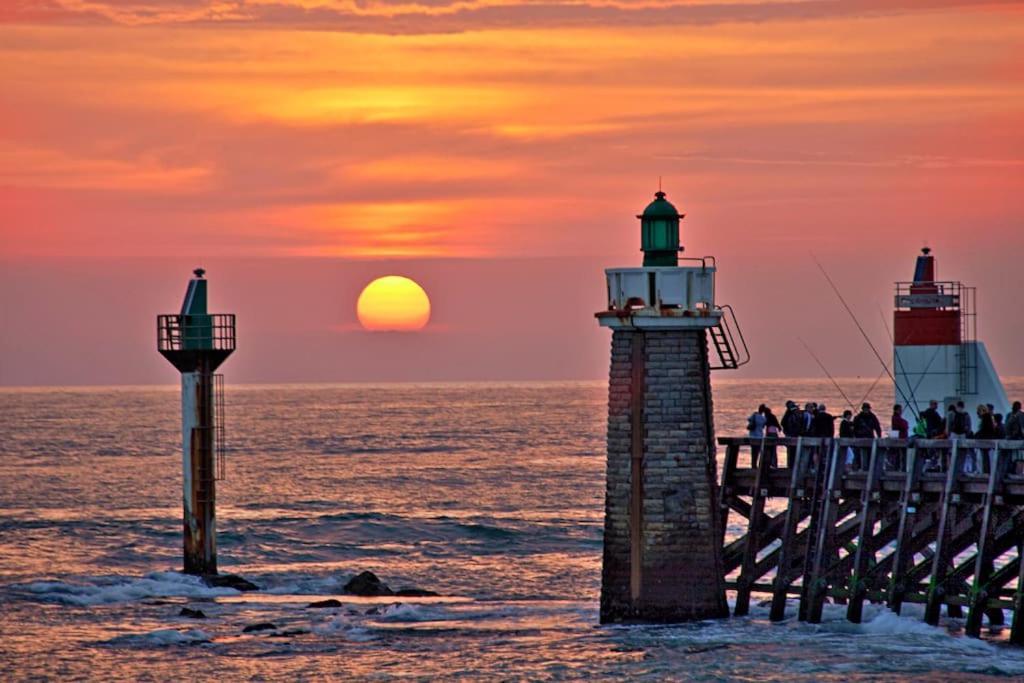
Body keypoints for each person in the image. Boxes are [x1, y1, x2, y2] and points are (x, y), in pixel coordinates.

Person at [852, 402, 882, 471]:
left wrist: (879, 436)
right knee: (860, 455)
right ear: (862, 409)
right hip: (860, 439)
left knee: (870, 454)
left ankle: (869, 468)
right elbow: (854, 429)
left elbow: (877, 427)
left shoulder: (873, 417)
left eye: (867, 409)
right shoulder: (858, 417)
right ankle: (861, 467)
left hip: (870, 438)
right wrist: (855, 437)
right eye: (865, 409)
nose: (866, 410)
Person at [1006, 401, 1024, 474]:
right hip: (1018, 439)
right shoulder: (1020, 415)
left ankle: (1013, 472)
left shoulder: (1009, 415)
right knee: (1019, 458)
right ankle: (1017, 473)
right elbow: (1022, 427)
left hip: (1010, 439)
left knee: (1013, 458)